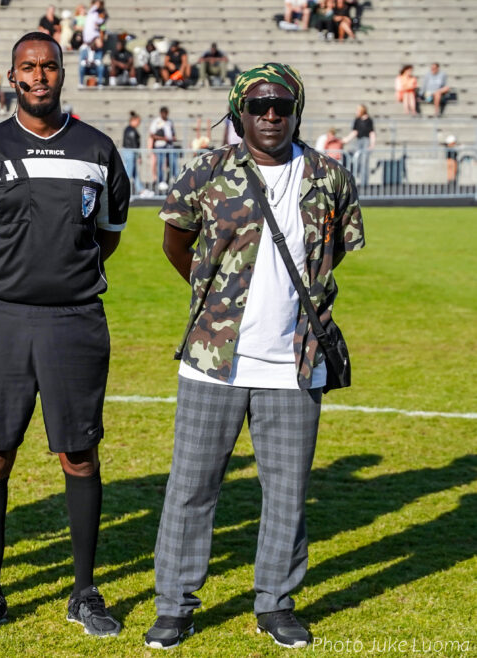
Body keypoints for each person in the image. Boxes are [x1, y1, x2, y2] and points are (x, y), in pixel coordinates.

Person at [146, 63, 364, 650]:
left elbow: (336, 252)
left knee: (287, 493)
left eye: (282, 106)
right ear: (238, 110)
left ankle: (276, 604)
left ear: (297, 111)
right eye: (259, 106)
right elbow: (176, 241)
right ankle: (174, 606)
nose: (271, 115)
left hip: (296, 362)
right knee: (191, 489)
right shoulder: (207, 171)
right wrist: (215, 299)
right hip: (212, 360)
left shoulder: (329, 177)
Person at [0, 31, 129, 639]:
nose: (38, 75)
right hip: (3, 320)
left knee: (77, 453)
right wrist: (12, 273)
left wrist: (63, 273)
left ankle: (84, 591)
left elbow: (108, 235)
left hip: (75, 321)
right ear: (12, 76)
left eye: (48, 66)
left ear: (62, 73)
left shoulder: (97, 149)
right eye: (27, 66)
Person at [342, 104, 375, 187]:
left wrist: (372, 144)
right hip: (358, 141)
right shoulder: (357, 120)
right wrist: (346, 139)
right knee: (357, 160)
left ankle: (364, 183)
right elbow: (355, 132)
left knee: (364, 162)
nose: (356, 111)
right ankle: (355, 181)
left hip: (366, 141)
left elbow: (371, 132)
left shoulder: (369, 120)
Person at [149, 106, 176, 186]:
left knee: (172, 162)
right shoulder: (156, 122)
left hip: (169, 145)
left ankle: (174, 178)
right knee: (160, 163)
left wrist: (173, 138)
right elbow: (152, 135)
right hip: (160, 145)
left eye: (166, 113)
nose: (165, 115)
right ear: (161, 113)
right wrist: (163, 138)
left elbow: (173, 133)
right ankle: (160, 180)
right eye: (164, 113)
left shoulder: (169, 122)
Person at [121, 110, 143, 194]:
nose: (139, 123)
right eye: (138, 121)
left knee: (134, 172)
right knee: (129, 172)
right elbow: (134, 145)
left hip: (128, 151)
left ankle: (140, 189)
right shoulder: (131, 130)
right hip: (130, 152)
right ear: (134, 120)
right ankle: (122, 191)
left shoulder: (128, 129)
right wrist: (139, 156)